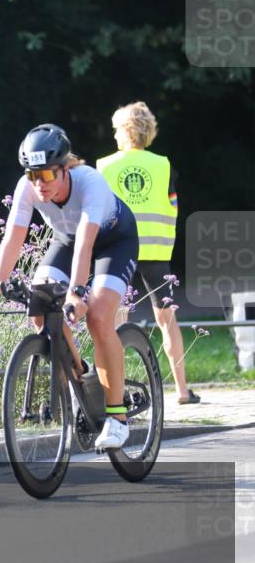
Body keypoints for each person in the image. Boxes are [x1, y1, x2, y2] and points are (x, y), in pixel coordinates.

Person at [0, 124, 139, 450]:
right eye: (33, 175)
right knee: (40, 308)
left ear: (65, 169)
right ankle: (82, 379)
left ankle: (117, 417)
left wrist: (77, 293)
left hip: (112, 241)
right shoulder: (27, 187)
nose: (40, 184)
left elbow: (86, 246)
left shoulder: (90, 182)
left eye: (47, 175)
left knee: (98, 316)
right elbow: (11, 242)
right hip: (67, 240)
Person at [97, 101, 200, 405]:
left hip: (118, 250)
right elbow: (173, 205)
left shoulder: (104, 167)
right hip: (156, 252)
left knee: (116, 318)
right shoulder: (164, 165)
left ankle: (118, 390)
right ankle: (182, 391)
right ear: (148, 131)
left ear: (122, 132)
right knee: (167, 320)